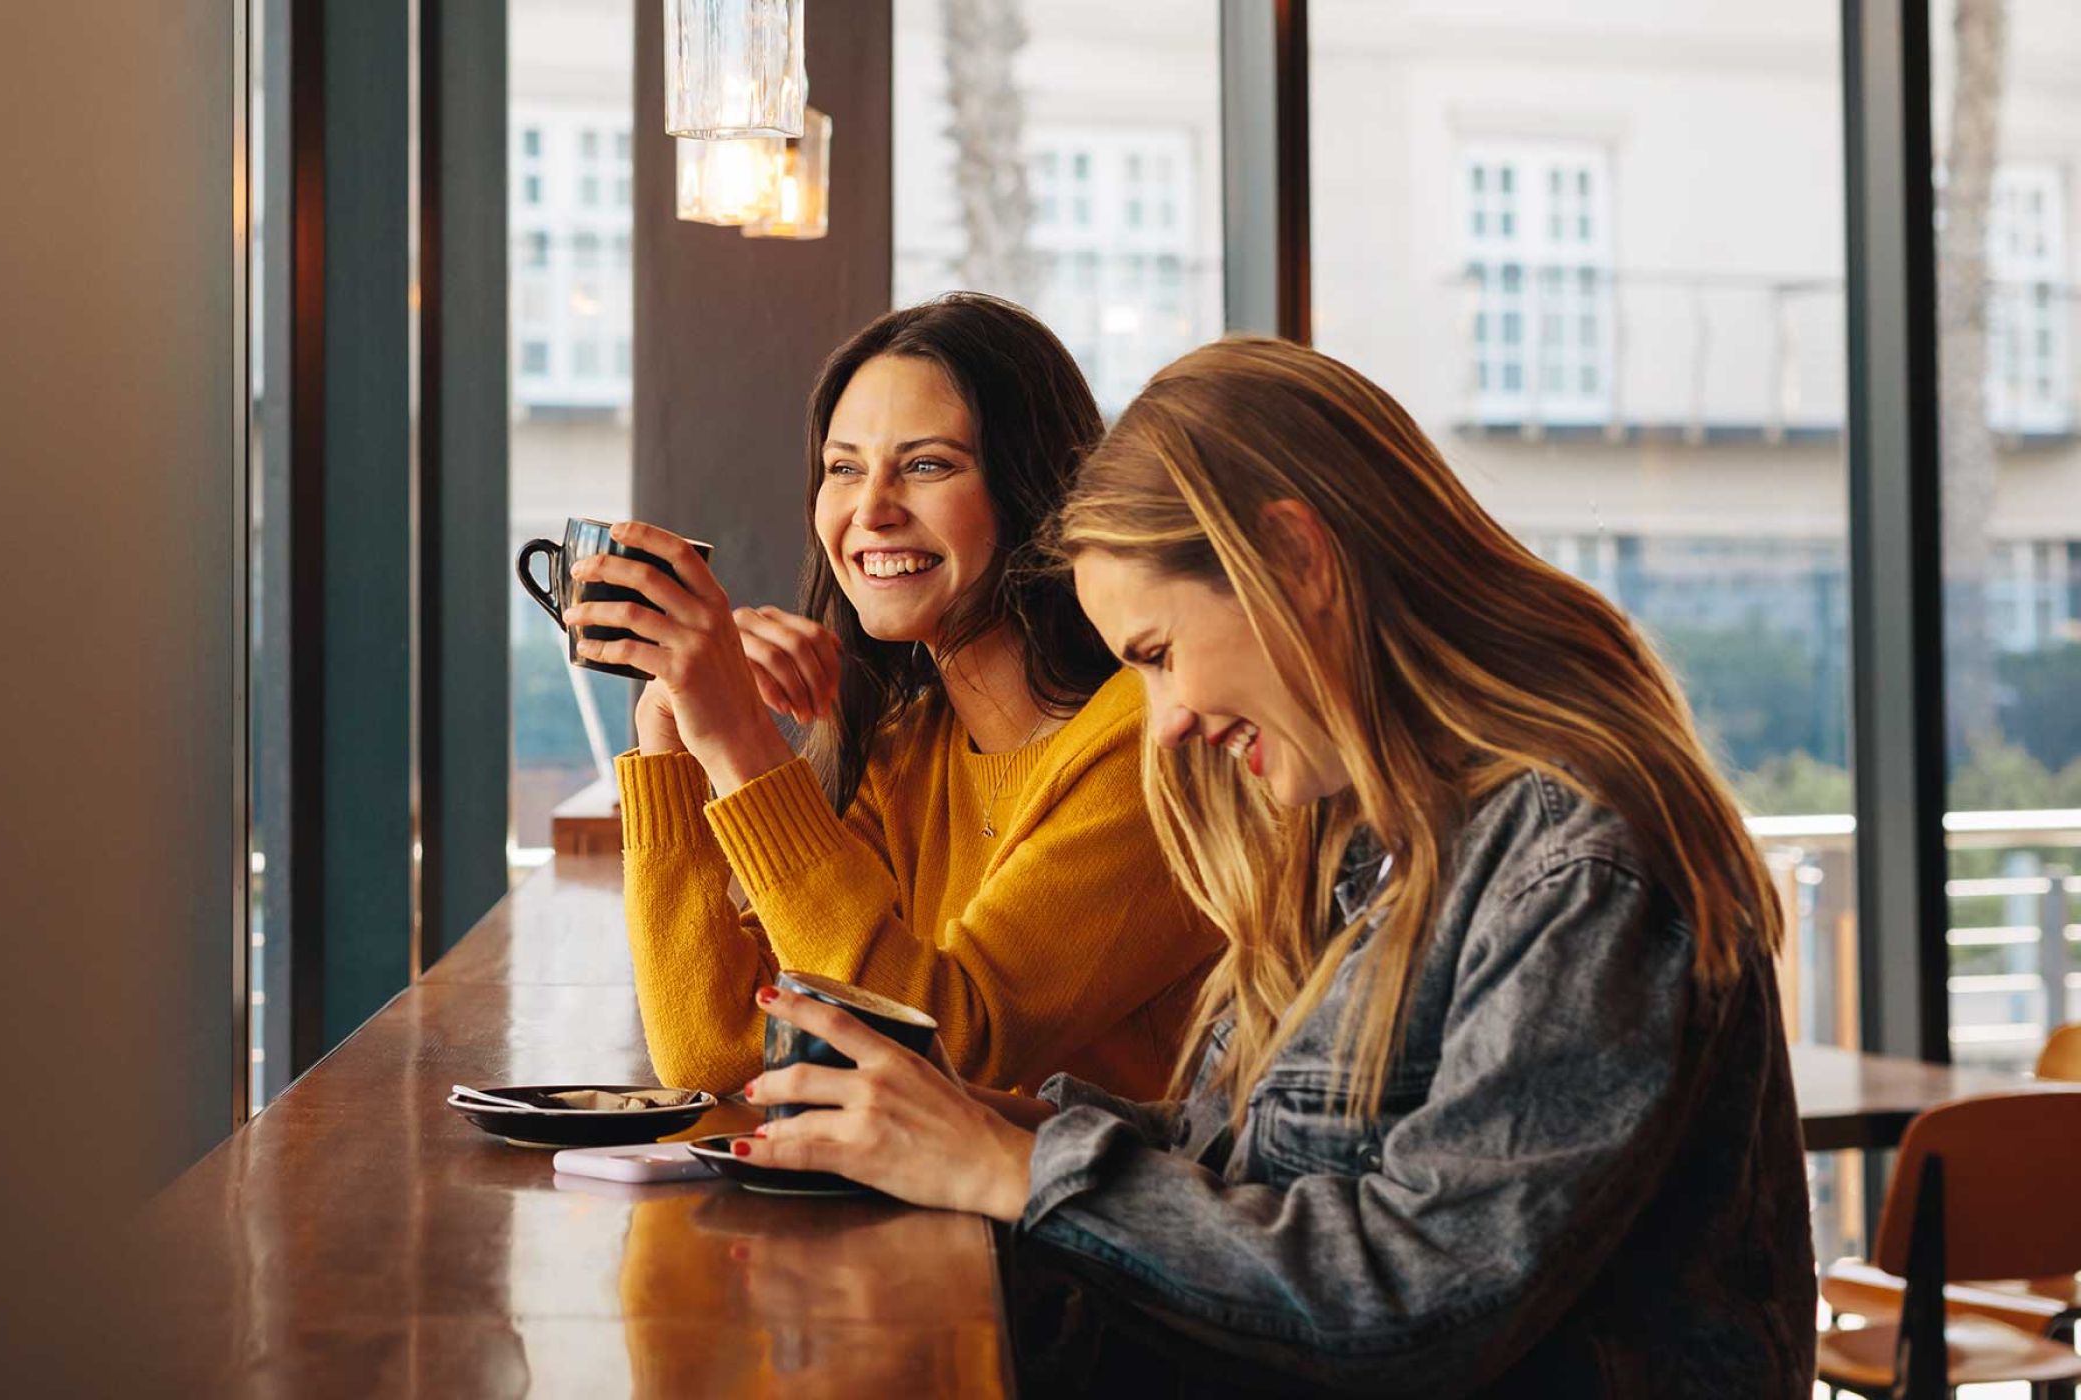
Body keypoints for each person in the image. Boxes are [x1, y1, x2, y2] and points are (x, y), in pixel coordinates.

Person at [733, 336, 1814, 1394]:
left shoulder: (1580, 861)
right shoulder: (1364, 836)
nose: (1163, 723)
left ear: (1297, 559)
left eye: (1158, 656)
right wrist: (976, 1123)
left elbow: (1419, 1297)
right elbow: (1250, 1160)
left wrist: (1011, 1167)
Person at [568, 293, 1220, 1100]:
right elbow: (719, 1049)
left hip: (1079, 1220)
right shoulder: (911, 743)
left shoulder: (1157, 741)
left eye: (927, 465)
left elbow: (952, 1053)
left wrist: (742, 741)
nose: (870, 511)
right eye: (844, 468)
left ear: (1035, 488)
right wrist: (669, 731)